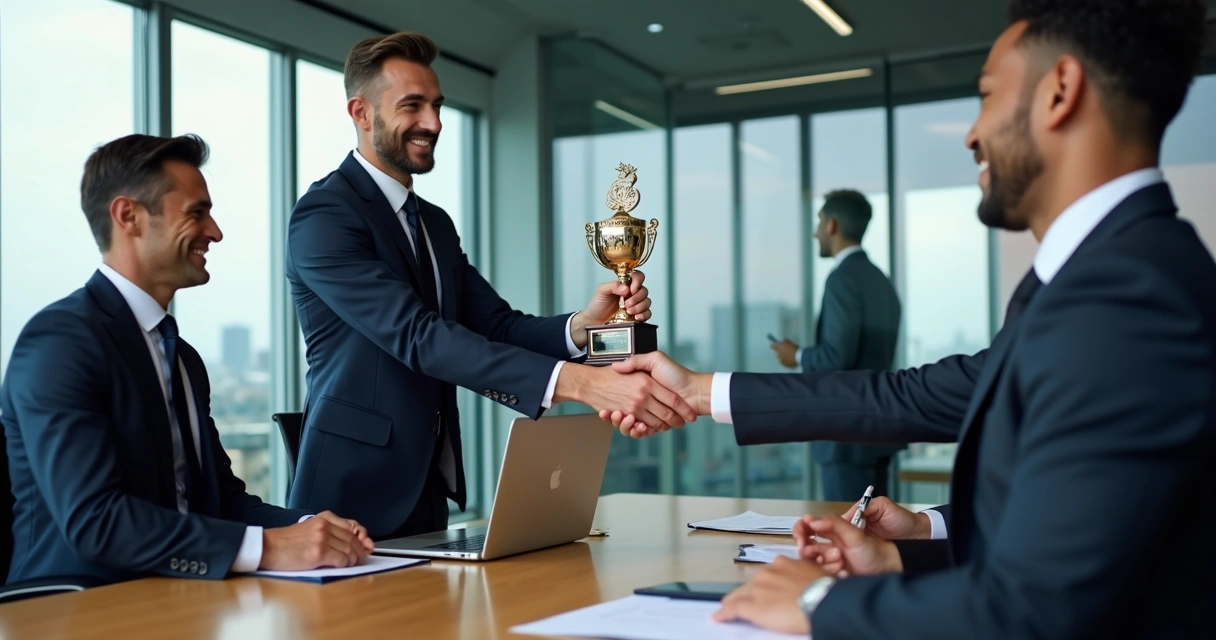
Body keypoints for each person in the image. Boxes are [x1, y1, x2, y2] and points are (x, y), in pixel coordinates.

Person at [602, 0, 1216, 636]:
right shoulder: (1105, 277)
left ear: (1060, 91)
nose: (972, 134)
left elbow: (1036, 611)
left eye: (987, 96)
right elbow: (915, 396)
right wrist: (700, 392)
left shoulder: (1130, 299)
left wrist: (818, 604)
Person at [286, 32, 694, 540]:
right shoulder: (325, 216)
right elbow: (418, 336)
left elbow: (495, 326)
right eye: (412, 106)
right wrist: (583, 384)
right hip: (347, 496)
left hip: (426, 487)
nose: (433, 123)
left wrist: (583, 328)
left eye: (437, 106)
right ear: (361, 112)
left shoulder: (432, 223)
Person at [0, 134, 374, 585]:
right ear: (128, 216)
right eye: (196, 213)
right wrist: (272, 548)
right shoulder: (61, 342)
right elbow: (96, 521)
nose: (215, 232)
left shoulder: (182, 358)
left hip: (180, 599)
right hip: (77, 605)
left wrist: (312, 528)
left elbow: (223, 504)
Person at [771, 190, 903, 500]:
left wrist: (797, 355)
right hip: (879, 428)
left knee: (848, 525)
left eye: (819, 222)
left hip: (846, 433)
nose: (815, 232)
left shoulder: (842, 278)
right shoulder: (881, 280)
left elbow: (839, 355)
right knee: (876, 524)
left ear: (832, 225)